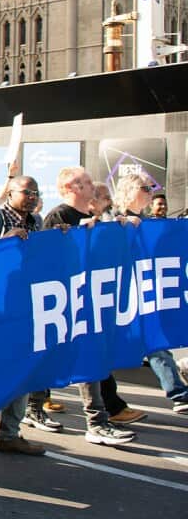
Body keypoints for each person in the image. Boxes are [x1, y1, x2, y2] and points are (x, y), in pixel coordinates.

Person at [40, 167, 140, 444]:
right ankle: (39, 409)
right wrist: (77, 237)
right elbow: (48, 258)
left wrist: (119, 231)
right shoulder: (59, 215)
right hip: (65, 301)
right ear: (69, 188)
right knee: (53, 356)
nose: (91, 186)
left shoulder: (93, 217)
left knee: (89, 356)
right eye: (83, 182)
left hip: (90, 299)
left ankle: (97, 421)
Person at [0, 176, 51, 456]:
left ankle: (9, 433)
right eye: (26, 192)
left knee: (23, 367)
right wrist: (5, 241)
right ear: (11, 193)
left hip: (23, 305)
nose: (32, 196)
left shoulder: (36, 222)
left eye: (35, 192)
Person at [111, 173, 188, 413]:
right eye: (145, 187)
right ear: (129, 190)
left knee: (155, 339)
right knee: (104, 347)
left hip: (143, 293)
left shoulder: (149, 222)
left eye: (151, 187)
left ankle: (177, 392)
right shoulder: (113, 219)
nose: (150, 191)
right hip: (117, 295)